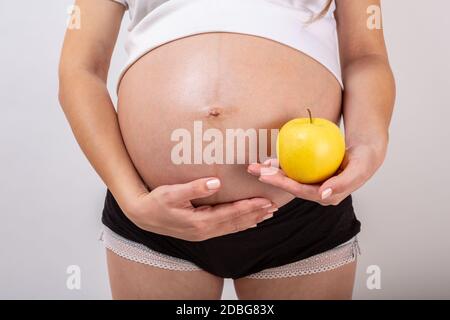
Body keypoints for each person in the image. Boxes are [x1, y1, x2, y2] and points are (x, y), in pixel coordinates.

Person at [58, 0, 395, 299]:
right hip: (153, 210)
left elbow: (365, 56)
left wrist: (368, 143)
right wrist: (132, 200)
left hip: (300, 204)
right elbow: (80, 68)